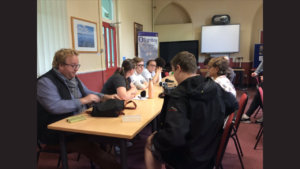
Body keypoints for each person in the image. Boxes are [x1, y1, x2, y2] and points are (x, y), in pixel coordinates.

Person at [144, 51, 235, 169]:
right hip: (210, 152)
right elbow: (232, 106)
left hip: (189, 159)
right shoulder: (216, 87)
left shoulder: (178, 95)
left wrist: (156, 138)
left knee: (150, 142)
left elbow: (174, 137)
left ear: (178, 68)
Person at [37, 48, 121, 169]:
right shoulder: (45, 82)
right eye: (73, 66)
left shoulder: (73, 79)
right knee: (89, 145)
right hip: (55, 132)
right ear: (60, 65)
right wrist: (83, 100)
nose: (77, 69)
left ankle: (110, 163)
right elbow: (54, 107)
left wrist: (105, 96)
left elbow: (87, 92)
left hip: (77, 124)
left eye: (77, 65)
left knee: (108, 135)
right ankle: (116, 166)